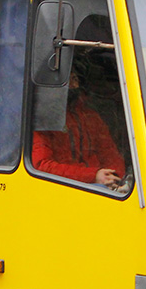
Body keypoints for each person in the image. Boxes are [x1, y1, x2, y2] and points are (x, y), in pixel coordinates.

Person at [32, 56, 126, 189]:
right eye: (70, 80)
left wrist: (115, 176)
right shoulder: (43, 119)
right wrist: (93, 176)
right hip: (63, 189)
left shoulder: (89, 116)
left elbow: (109, 153)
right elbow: (41, 166)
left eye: (76, 80)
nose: (75, 86)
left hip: (98, 187)